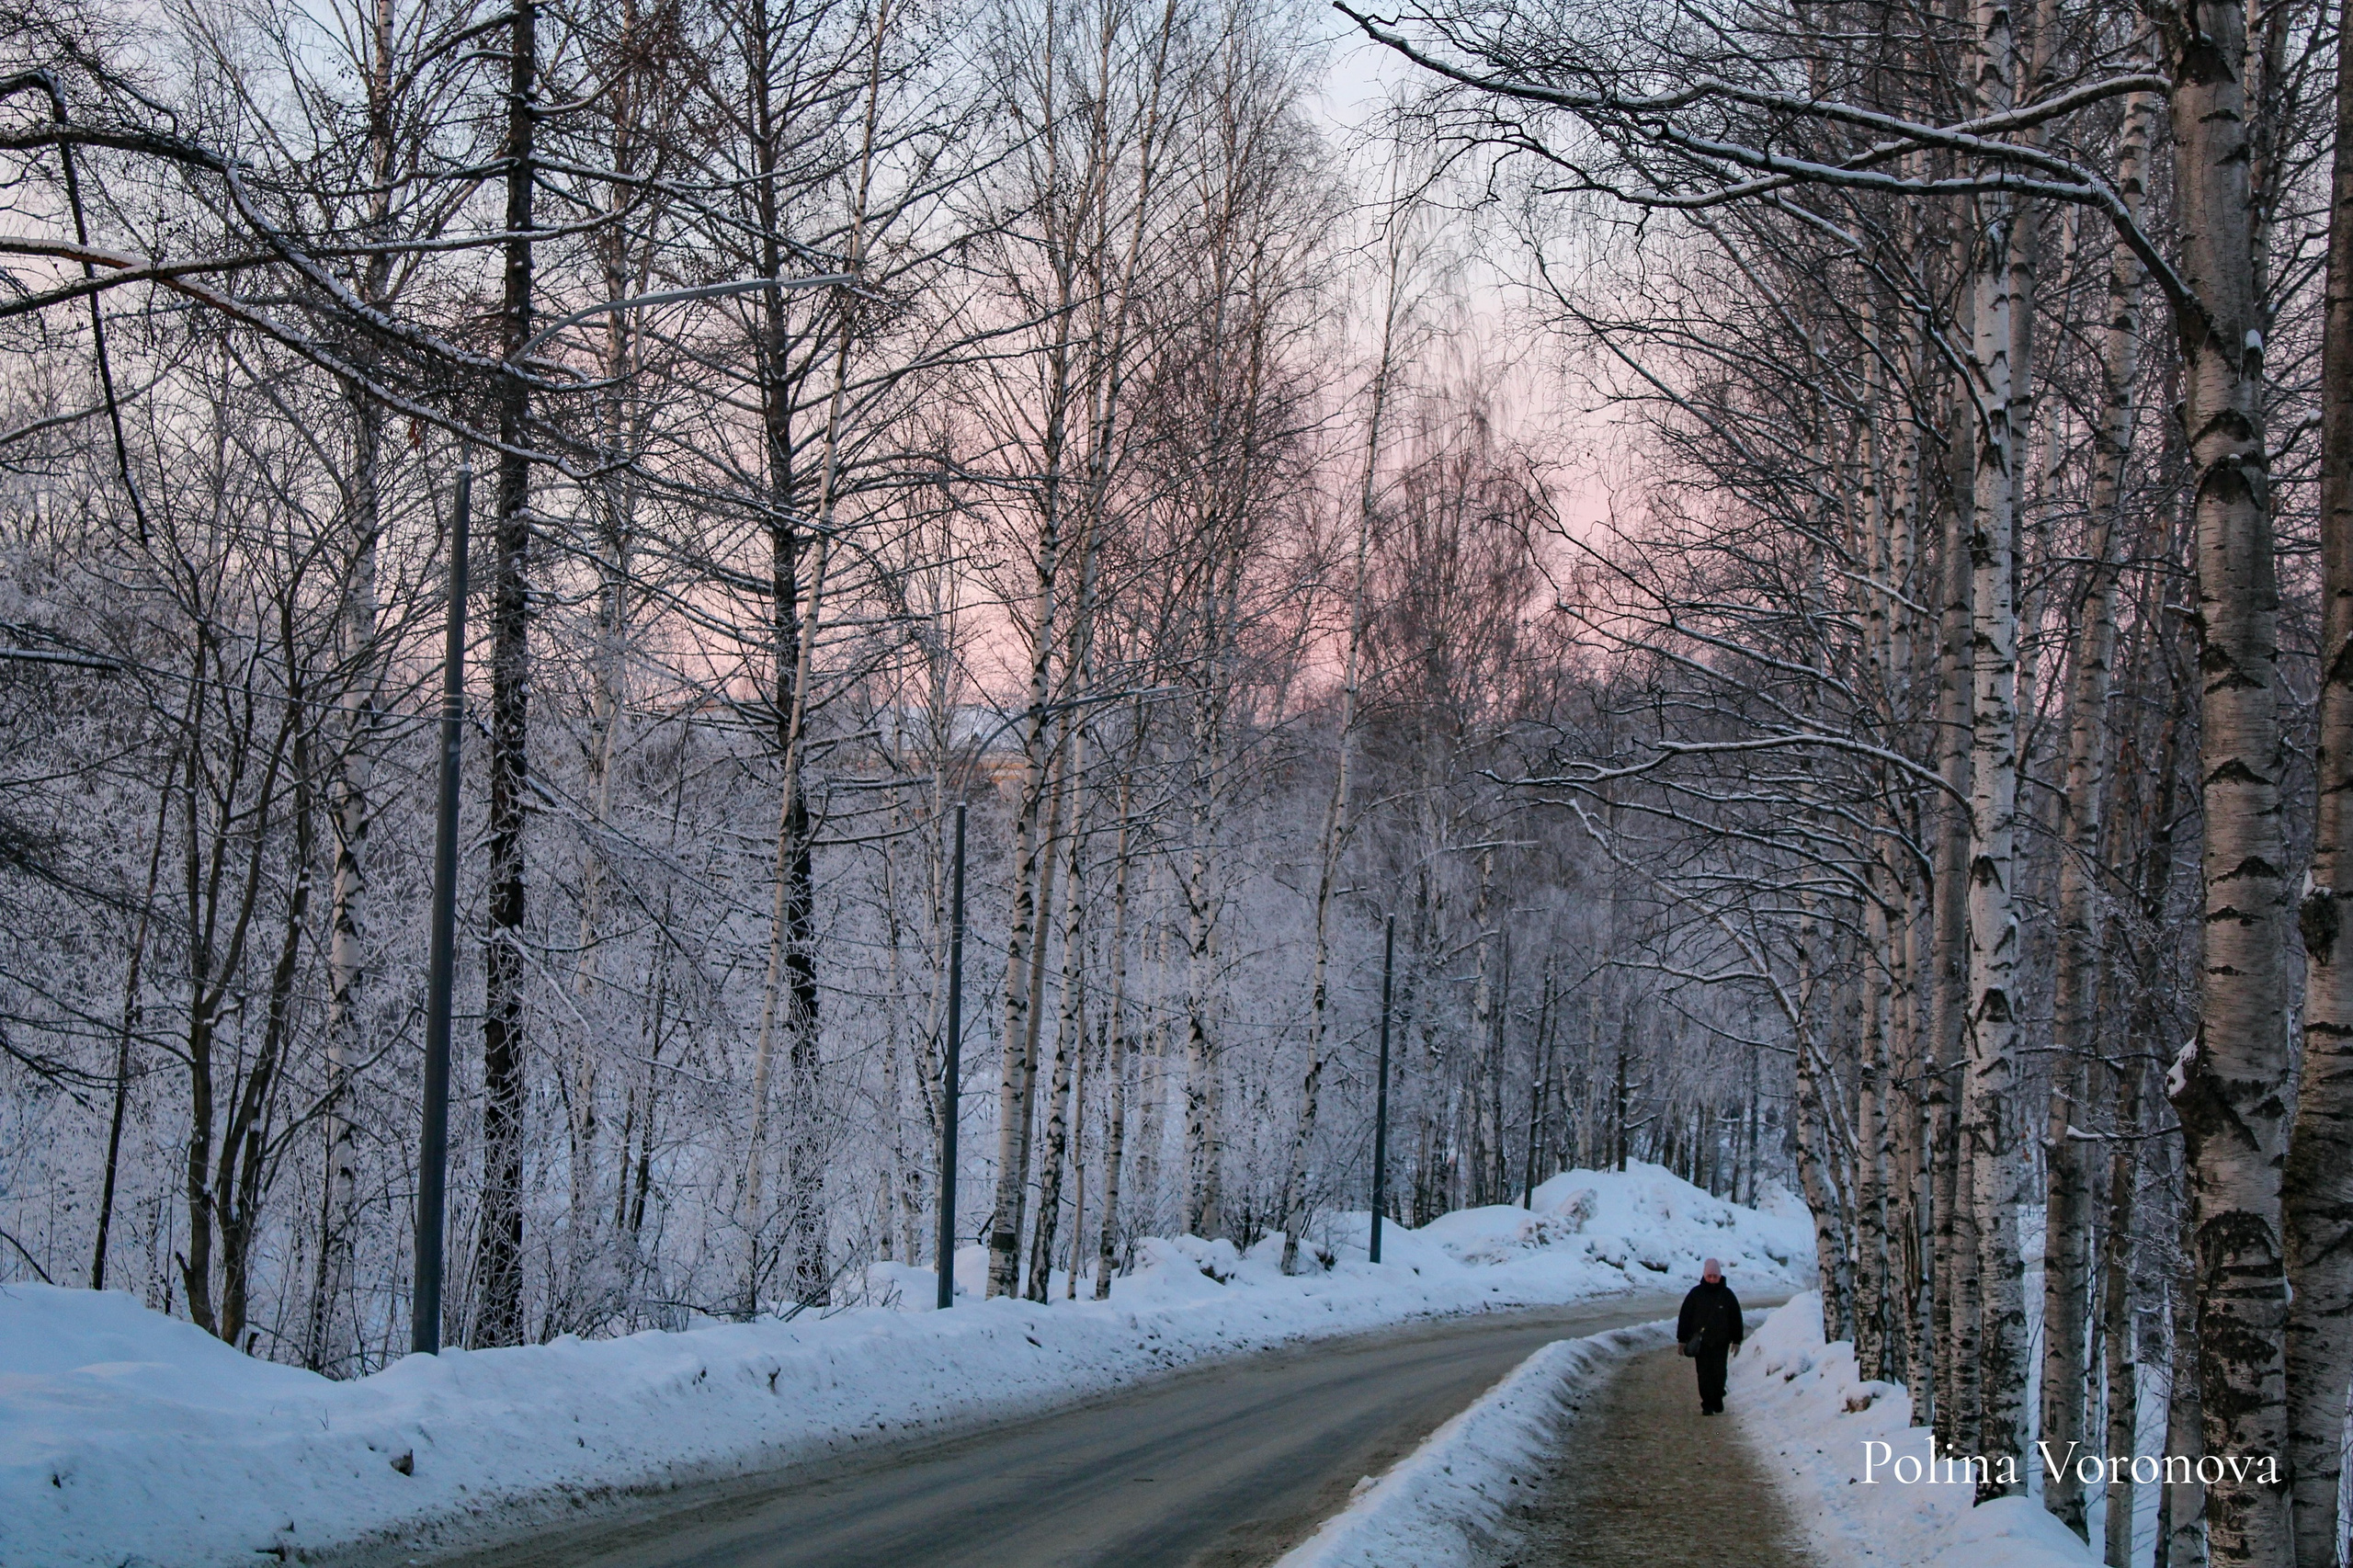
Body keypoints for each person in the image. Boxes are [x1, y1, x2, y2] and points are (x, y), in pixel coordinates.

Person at [1677, 1258, 1743, 1415]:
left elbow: (1735, 1318)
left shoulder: (1727, 1295)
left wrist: (1737, 1340)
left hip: (1721, 1342)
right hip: (1702, 1343)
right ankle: (1707, 1403)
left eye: (1715, 1276)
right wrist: (1682, 1340)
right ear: (1704, 1276)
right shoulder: (1695, 1294)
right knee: (1704, 1374)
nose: (1712, 1279)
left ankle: (1718, 1397)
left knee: (1719, 1373)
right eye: (1709, 1276)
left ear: (1720, 1276)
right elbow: (1685, 1317)